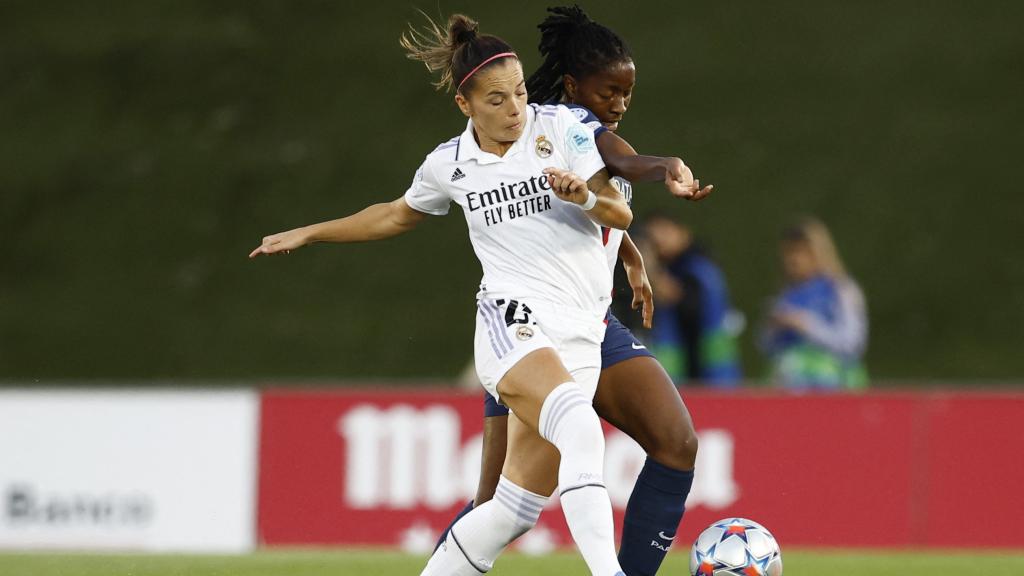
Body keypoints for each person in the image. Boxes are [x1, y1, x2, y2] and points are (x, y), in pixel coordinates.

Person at [252, 13, 642, 576]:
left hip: (580, 331)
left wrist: (583, 195)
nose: (515, 110)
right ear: (466, 105)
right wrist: (312, 231)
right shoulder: (450, 164)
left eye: (520, 94)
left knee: (513, 511)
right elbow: (392, 215)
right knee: (580, 427)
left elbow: (620, 211)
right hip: (512, 321)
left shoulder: (561, 129)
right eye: (497, 101)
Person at [436, 7, 711, 576]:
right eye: (609, 89)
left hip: (585, 323)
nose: (619, 101)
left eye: (627, 92)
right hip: (529, 329)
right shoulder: (565, 124)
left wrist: (629, 255)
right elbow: (625, 163)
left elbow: (592, 209)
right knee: (498, 504)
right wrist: (666, 168)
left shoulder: (559, 128)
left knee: (674, 444)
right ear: (570, 87)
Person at [759, 216, 868, 389]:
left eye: (801, 251)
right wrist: (775, 327)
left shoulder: (841, 289)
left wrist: (805, 325)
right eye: (788, 252)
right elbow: (766, 346)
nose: (793, 260)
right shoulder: (786, 293)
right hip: (789, 389)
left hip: (832, 390)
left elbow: (852, 343)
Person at [642, 212, 742, 386]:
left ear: (683, 232)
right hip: (715, 371)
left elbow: (684, 301)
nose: (659, 241)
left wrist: (648, 268)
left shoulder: (695, 268)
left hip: (709, 374)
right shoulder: (701, 265)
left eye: (665, 231)